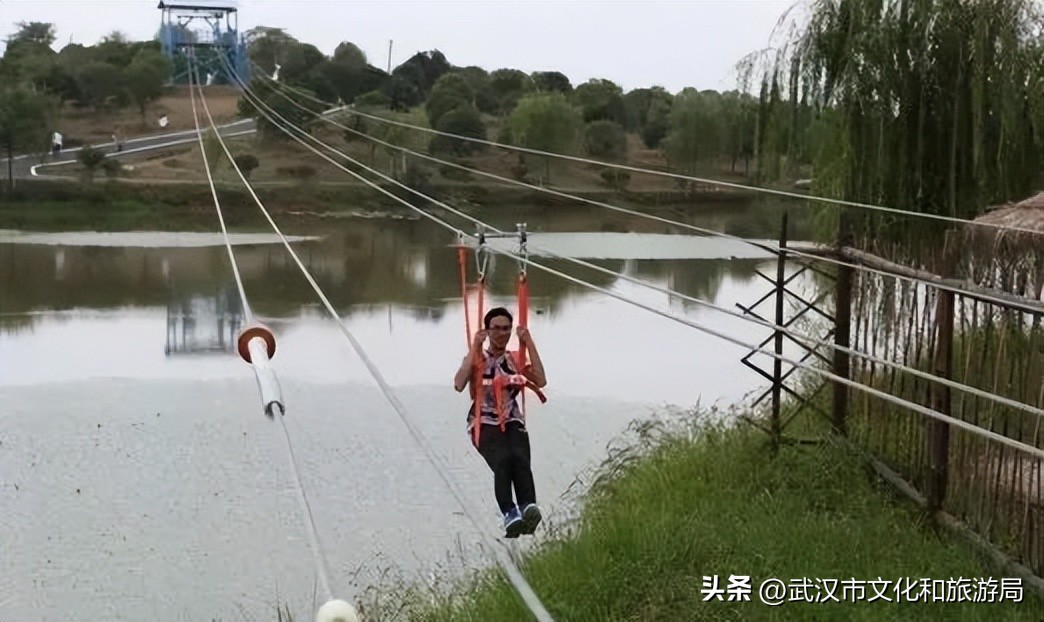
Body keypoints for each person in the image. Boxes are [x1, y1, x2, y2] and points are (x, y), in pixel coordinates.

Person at [454, 307, 547, 538]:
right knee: (503, 460)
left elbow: (541, 380)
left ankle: (527, 506)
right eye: (496, 328)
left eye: (506, 329)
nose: (501, 333)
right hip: (483, 420)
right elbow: (458, 383)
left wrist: (529, 341)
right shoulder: (477, 358)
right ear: (487, 330)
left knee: (520, 457)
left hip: (511, 417)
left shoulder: (515, 359)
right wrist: (475, 345)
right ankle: (509, 512)